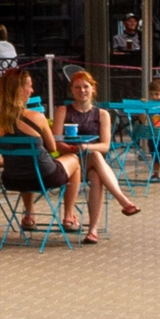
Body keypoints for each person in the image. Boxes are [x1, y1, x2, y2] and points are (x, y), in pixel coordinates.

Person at [53, 67, 140, 238]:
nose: (82, 91)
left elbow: (105, 146)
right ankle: (123, 200)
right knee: (96, 161)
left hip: (91, 162)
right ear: (72, 90)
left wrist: (86, 148)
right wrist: (70, 148)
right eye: (77, 87)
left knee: (95, 169)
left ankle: (92, 230)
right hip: (69, 163)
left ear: (93, 89)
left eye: (85, 86)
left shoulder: (102, 114)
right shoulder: (63, 111)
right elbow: (56, 142)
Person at [0, 66, 66, 233]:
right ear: (19, 89)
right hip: (46, 176)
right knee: (75, 161)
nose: (32, 90)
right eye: (29, 86)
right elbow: (54, 148)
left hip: (12, 179)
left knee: (27, 164)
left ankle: (29, 214)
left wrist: (11, 163)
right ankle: (69, 216)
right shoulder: (37, 117)